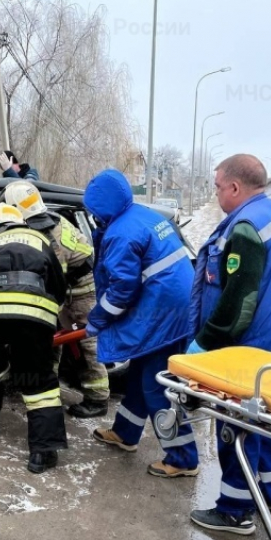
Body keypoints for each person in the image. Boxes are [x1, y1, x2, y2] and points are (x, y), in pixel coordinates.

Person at [187, 154, 271, 535]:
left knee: (235, 425)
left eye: (216, 186)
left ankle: (234, 510)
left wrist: (205, 344)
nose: (216, 193)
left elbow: (238, 303)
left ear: (234, 187)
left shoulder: (245, 229)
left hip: (254, 349)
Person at [83, 169, 200, 477]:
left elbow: (122, 289)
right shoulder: (142, 215)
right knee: (139, 375)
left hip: (162, 315)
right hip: (174, 307)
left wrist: (98, 318)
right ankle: (126, 433)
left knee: (155, 386)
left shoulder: (120, 233)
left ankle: (183, 457)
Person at [0, 204, 68, 473]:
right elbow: (59, 287)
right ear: (20, 223)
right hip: (31, 313)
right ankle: (42, 453)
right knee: (38, 380)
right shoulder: (39, 239)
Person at [4, 181, 110, 417]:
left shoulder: (48, 235)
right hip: (72, 287)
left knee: (86, 343)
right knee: (55, 338)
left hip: (81, 292)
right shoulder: (49, 218)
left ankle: (97, 399)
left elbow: (54, 280)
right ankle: (45, 383)